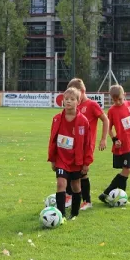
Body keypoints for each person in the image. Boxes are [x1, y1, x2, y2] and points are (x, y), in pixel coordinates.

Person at [47, 87, 92, 220]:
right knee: (61, 184)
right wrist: (53, 159)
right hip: (61, 159)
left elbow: (88, 144)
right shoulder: (56, 119)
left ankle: (74, 213)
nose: (68, 102)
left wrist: (86, 162)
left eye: (72, 99)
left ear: (78, 101)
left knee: (75, 186)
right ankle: (60, 215)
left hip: (76, 160)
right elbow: (52, 140)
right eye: (66, 99)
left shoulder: (83, 121)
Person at [66, 78, 109, 211]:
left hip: (86, 146)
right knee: (70, 170)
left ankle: (87, 200)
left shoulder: (92, 105)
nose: (72, 98)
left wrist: (103, 139)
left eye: (75, 95)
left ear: (82, 91)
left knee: (82, 173)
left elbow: (105, 119)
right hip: (73, 145)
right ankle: (71, 196)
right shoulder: (75, 105)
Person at [99, 85, 130, 203]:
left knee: (127, 170)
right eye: (115, 100)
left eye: (120, 99)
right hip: (122, 146)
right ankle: (107, 192)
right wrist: (115, 139)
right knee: (127, 170)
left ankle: (120, 196)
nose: (118, 102)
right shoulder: (112, 111)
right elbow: (109, 129)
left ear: (124, 95)